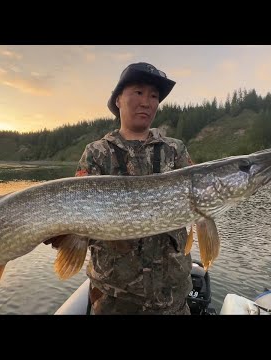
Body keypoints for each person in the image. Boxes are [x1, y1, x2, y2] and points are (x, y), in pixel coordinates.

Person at [74, 62, 195, 315]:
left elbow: (198, 199)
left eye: (154, 96)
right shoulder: (96, 153)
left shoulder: (175, 150)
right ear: (118, 99)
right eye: (138, 92)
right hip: (114, 298)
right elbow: (77, 214)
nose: (147, 102)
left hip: (171, 295)